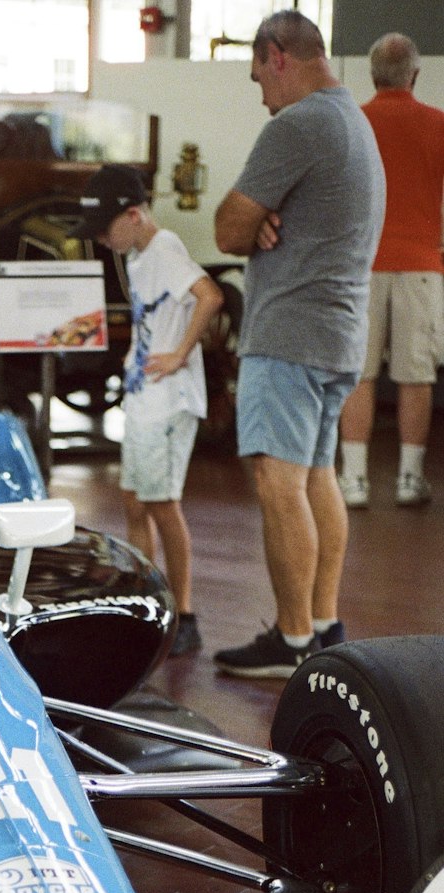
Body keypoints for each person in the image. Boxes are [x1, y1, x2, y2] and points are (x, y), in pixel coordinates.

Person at [212, 10, 385, 678]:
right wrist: (262, 221)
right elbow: (256, 224)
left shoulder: (301, 123)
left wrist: (251, 222)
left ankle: (289, 642)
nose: (262, 94)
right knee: (316, 476)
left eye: (260, 75)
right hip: (336, 332)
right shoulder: (351, 122)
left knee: (277, 478)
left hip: (289, 332)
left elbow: (228, 227)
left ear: (278, 55)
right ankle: (321, 624)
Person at [79, 164, 223, 657]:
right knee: (136, 502)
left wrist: (180, 352)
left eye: (105, 228)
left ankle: (184, 614)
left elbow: (211, 295)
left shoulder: (164, 249)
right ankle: (149, 599)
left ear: (135, 215)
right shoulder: (139, 257)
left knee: (163, 504)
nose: (101, 240)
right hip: (146, 395)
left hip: (169, 398)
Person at [338, 33, 444, 509]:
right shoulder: (438, 124)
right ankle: (408, 478)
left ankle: (355, 479)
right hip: (422, 263)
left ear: (371, 73)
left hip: (361, 264)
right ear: (415, 75)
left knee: (359, 374)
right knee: (415, 375)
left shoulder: (352, 122)